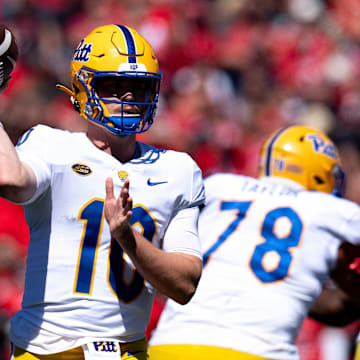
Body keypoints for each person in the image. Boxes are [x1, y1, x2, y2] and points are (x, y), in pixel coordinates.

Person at [0, 24, 205, 360]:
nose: (128, 97)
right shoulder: (51, 144)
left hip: (128, 350)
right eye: (114, 85)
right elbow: (10, 179)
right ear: (82, 87)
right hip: (46, 348)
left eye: (138, 88)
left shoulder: (178, 169)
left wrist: (128, 238)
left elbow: (185, 286)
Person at [148, 125, 360, 360]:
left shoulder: (220, 185)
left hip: (171, 345)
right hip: (257, 352)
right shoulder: (333, 211)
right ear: (322, 174)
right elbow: (338, 310)